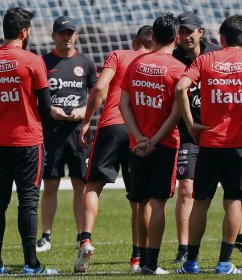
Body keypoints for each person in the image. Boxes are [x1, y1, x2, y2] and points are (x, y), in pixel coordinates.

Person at [175, 15, 242, 274]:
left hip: (209, 143)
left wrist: (190, 125)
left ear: (221, 39)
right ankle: (223, 263)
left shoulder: (205, 60)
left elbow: (180, 88)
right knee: (234, 202)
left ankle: (191, 263)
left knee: (200, 202)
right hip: (239, 144)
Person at [73, 25, 155, 274]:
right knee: (139, 199)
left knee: (93, 186)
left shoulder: (118, 55)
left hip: (111, 127)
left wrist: (86, 121)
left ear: (134, 41)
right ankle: (136, 258)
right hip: (139, 132)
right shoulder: (157, 61)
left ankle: (85, 239)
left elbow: (99, 88)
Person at [119, 13, 185, 275]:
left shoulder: (136, 64)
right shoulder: (179, 69)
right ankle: (152, 264)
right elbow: (177, 113)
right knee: (158, 203)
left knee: (142, 202)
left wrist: (139, 137)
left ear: (153, 36)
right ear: (177, 37)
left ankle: (142, 260)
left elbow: (123, 103)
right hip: (165, 144)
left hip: (137, 144)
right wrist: (155, 141)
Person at [0, 7, 58, 275]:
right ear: (24, 32)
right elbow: (46, 106)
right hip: (27, 142)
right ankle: (31, 264)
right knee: (28, 201)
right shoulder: (33, 61)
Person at [36, 16, 97, 252]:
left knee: (80, 184)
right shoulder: (44, 62)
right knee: (50, 185)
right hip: (52, 133)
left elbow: (96, 95)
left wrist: (85, 110)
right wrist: (51, 110)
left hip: (77, 133)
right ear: (54, 36)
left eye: (70, 32)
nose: (66, 37)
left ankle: (82, 235)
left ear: (76, 35)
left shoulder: (86, 63)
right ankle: (46, 237)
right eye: (62, 33)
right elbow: (36, 97)